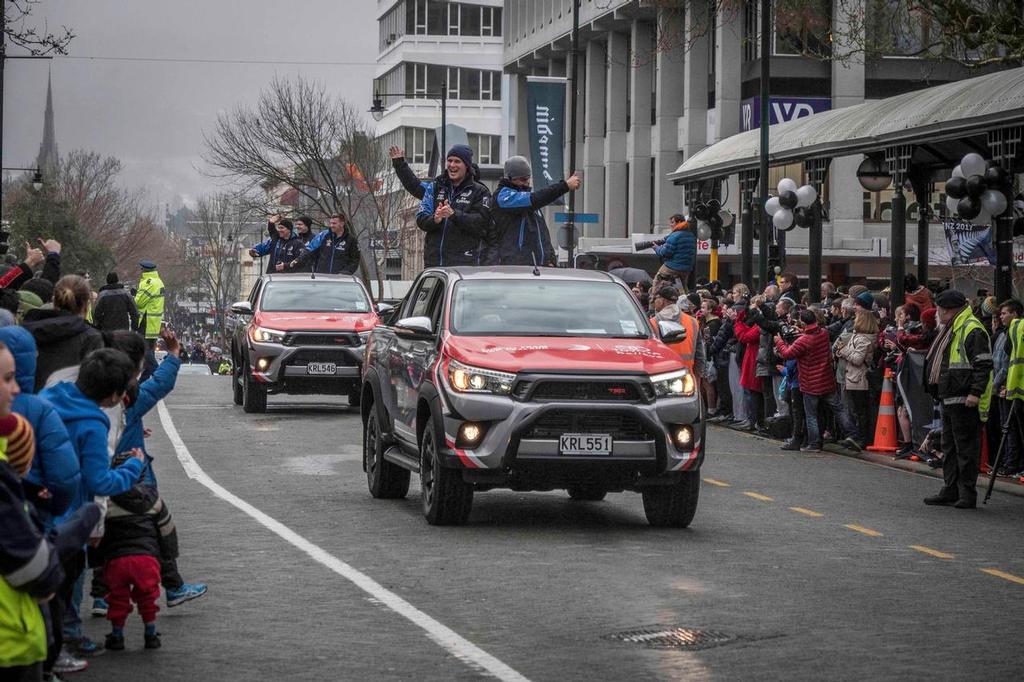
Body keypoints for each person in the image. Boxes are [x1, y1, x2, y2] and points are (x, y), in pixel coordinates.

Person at [97, 447, 176, 651]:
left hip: (117, 560)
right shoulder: (153, 500)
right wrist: (167, 558)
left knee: (117, 598)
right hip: (146, 559)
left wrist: (97, 565)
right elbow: (166, 531)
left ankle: (117, 635)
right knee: (148, 597)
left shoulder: (107, 502)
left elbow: (98, 534)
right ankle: (150, 633)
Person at [923, 290, 993, 509]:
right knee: (950, 446)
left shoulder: (971, 329)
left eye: (940, 310)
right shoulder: (953, 328)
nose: (938, 314)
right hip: (950, 395)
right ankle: (950, 488)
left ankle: (966, 493)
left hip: (964, 398)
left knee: (965, 448)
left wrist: (975, 392)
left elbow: (983, 364)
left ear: (949, 310)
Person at [775, 309, 862, 452]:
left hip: (810, 383)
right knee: (839, 409)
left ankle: (814, 443)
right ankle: (853, 434)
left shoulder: (803, 340)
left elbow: (786, 353)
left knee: (811, 415)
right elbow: (813, 332)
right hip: (826, 380)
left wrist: (779, 341)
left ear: (803, 323)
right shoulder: (823, 333)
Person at [492, 155, 581, 266]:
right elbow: (535, 199)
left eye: (528, 178)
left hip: (537, 266)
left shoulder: (529, 202)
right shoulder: (503, 197)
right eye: (523, 179)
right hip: (515, 266)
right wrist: (565, 186)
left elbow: (542, 234)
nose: (527, 182)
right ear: (509, 178)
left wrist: (550, 258)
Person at [415, 144, 493, 267]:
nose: (452, 165)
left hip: (464, 265)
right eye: (449, 161)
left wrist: (454, 215)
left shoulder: (480, 191)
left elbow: (482, 223)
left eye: (457, 161)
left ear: (467, 165)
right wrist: (435, 219)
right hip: (434, 264)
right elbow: (420, 218)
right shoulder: (435, 187)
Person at [23, 275, 104, 391]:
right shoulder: (93, 339)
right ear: (86, 305)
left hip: (32, 404)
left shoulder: (25, 332)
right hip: (75, 406)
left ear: (54, 301)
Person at [834, 309, 880, 446]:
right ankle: (856, 436)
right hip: (852, 376)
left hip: (859, 378)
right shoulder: (857, 336)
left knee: (861, 410)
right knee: (855, 409)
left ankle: (862, 438)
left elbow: (858, 359)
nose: (854, 320)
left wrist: (844, 350)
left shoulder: (865, 340)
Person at [996, 299, 1024, 478]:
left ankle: (1013, 464)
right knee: (1009, 429)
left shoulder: (1015, 332)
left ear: (1015, 314)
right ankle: (1010, 463)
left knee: (1013, 431)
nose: (1001, 317)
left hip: (1013, 389)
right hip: (1011, 388)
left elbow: (1008, 363)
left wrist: (998, 384)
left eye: (1004, 313)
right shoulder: (1005, 334)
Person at [651, 286, 704, 376]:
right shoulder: (693, 322)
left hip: (661, 375)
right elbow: (700, 355)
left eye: (655, 299)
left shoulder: (652, 323)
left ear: (662, 300)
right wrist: (698, 378)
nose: (653, 302)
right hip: (687, 377)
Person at [289, 212, 361, 275]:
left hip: (340, 279)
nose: (331, 225)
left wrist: (345, 272)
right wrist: (298, 260)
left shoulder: (351, 240)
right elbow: (309, 250)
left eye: (334, 223)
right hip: (322, 277)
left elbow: (354, 260)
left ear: (342, 224)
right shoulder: (324, 235)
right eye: (330, 223)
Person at [652, 215, 696, 292]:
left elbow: (665, 253)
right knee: (682, 288)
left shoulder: (675, 236)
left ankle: (653, 300)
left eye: (672, 222)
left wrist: (656, 248)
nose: (670, 225)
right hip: (686, 269)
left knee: (657, 283)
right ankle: (684, 301)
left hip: (672, 267)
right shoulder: (691, 235)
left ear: (679, 222)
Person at [134, 261, 165, 349]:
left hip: (146, 321)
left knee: (144, 353)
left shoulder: (148, 283)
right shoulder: (159, 282)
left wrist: (134, 297)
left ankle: (154, 364)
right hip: (154, 323)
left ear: (144, 270)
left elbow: (139, 302)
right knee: (150, 351)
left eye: (141, 269)